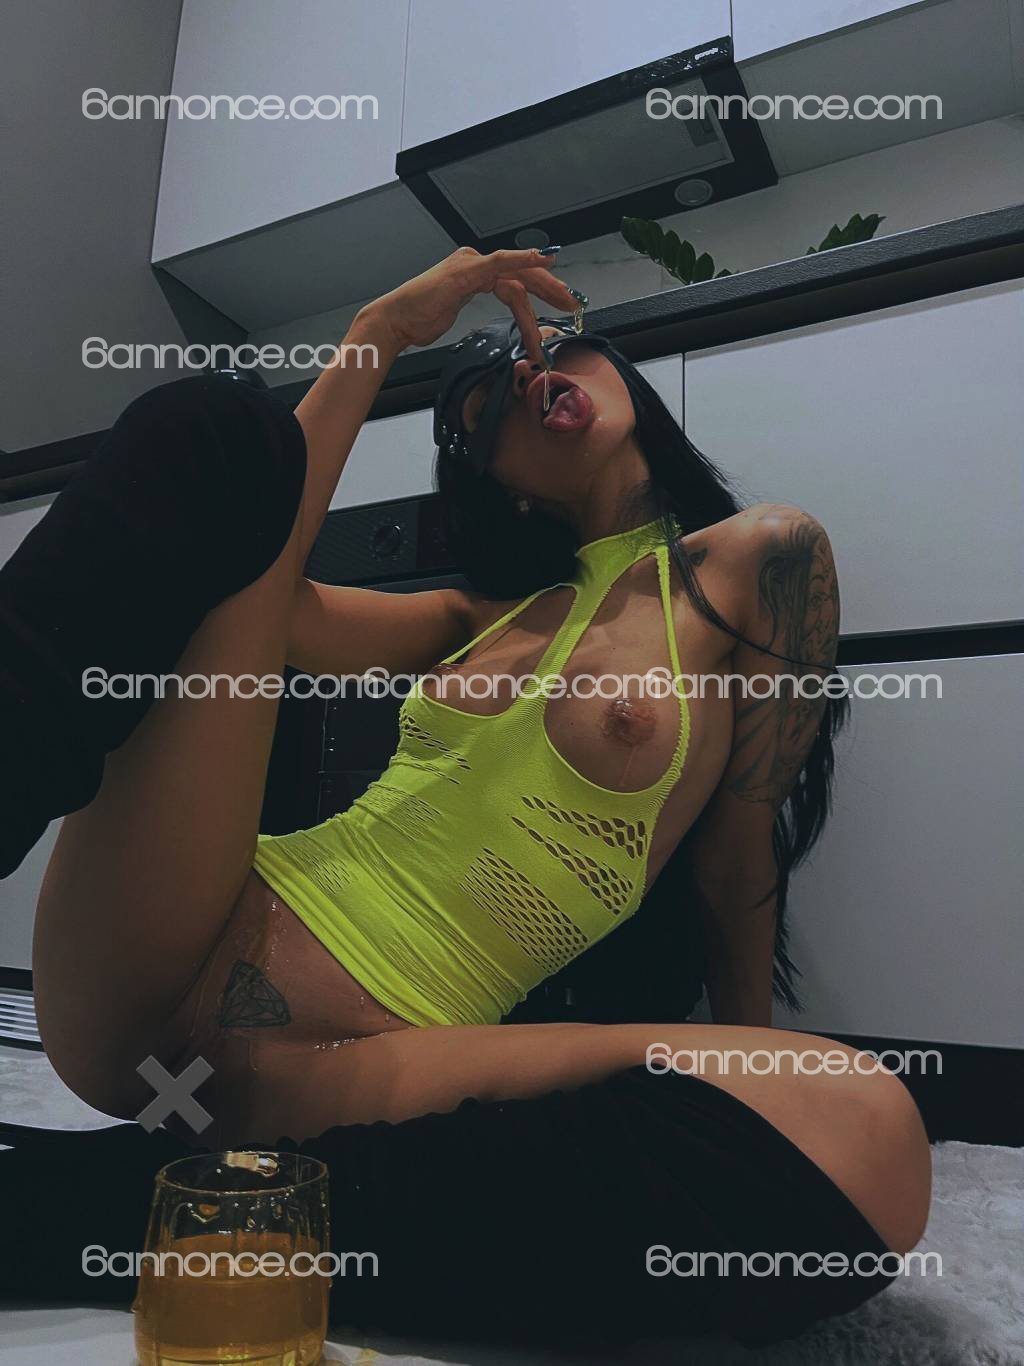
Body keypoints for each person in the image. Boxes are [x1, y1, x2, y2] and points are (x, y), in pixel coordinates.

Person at [0, 247, 930, 1347]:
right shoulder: (471, 618)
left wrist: (739, 1078)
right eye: (483, 411)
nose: (527, 373)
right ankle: (190, 1198)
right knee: (218, 432)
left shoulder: (763, 560)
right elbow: (252, 573)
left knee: (858, 1131)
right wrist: (380, 336)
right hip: (160, 958)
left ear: (619, 375)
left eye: (552, 348)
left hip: (335, 1068)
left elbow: (737, 858)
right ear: (505, 487)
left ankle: (77, 1207)